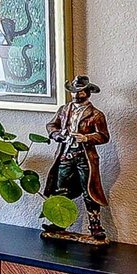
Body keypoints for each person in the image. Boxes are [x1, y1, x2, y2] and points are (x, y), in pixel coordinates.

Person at [40, 75, 111, 241]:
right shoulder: (64, 110)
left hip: (84, 158)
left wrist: (86, 138)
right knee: (61, 189)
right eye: (74, 91)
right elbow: (51, 125)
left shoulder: (96, 114)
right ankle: (60, 222)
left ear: (87, 92)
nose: (76, 95)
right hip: (66, 154)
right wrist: (58, 135)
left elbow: (104, 136)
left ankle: (95, 226)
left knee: (90, 192)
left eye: (79, 92)